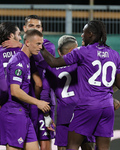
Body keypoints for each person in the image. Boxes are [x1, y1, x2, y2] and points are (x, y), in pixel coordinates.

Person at [40, 20, 120, 150]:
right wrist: (108, 95)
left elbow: (54, 62)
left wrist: (41, 47)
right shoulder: (115, 55)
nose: (82, 35)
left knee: (72, 145)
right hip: (107, 107)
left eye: (84, 32)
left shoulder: (83, 52)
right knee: (103, 147)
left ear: (91, 34)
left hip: (87, 106)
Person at [0, 29, 52, 150]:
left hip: (23, 113)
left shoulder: (26, 60)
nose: (40, 47)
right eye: (38, 44)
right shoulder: (18, 61)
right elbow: (15, 90)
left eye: (41, 44)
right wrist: (37, 102)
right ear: (27, 42)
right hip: (13, 113)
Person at [43, 35, 96, 150]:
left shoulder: (50, 69)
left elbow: (44, 95)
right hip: (84, 112)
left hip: (64, 115)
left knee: (63, 148)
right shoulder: (83, 64)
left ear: (59, 51)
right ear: (76, 50)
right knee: (88, 147)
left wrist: (47, 116)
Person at [23, 15, 56, 150]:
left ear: (42, 29)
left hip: (44, 102)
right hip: (24, 102)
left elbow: (39, 59)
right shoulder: (20, 47)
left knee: (45, 144)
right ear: (25, 28)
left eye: (37, 26)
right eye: (31, 26)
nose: (34, 29)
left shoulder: (48, 46)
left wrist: (21, 47)